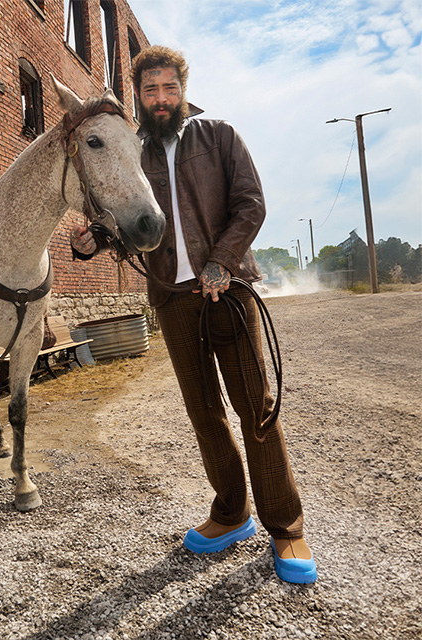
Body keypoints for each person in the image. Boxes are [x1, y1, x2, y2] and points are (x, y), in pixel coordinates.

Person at [71, 45, 317, 584]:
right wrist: (95, 239)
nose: (160, 99)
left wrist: (221, 263)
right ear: (138, 95)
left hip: (226, 292)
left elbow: (251, 203)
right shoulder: (133, 151)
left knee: (255, 405)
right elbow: (126, 220)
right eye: (150, 90)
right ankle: (232, 513)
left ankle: (285, 525)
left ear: (183, 90)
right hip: (172, 301)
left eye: (169, 88)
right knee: (204, 411)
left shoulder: (219, 136)